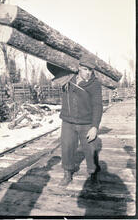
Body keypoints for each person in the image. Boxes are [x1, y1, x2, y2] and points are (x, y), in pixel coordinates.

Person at [47, 55, 103, 186]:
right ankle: (67, 173)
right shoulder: (67, 78)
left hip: (86, 123)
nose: (88, 73)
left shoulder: (94, 84)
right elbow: (50, 64)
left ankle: (93, 174)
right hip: (68, 122)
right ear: (79, 68)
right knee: (66, 147)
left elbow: (97, 106)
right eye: (85, 69)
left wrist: (94, 127)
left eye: (90, 70)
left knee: (91, 149)